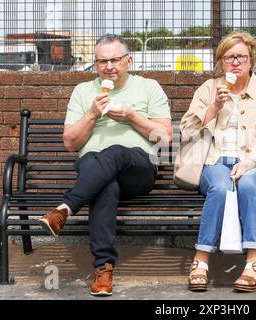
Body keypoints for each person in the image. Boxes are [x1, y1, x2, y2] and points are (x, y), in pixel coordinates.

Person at [37, 34, 172, 296]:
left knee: (116, 152)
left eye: (115, 60)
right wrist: (91, 114)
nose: (109, 66)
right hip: (93, 170)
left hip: (138, 167)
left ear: (128, 60)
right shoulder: (83, 91)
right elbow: (71, 143)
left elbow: (165, 138)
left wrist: (133, 117)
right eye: (102, 61)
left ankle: (66, 207)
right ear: (95, 63)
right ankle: (103, 270)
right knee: (105, 186)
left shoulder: (149, 87)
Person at [179, 31, 256, 293]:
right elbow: (186, 131)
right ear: (221, 62)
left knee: (249, 185)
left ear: (251, 61)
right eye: (229, 58)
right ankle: (201, 261)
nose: (235, 62)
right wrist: (213, 107)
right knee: (221, 185)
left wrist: (250, 161)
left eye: (241, 57)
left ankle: (253, 263)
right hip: (214, 163)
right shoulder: (208, 88)